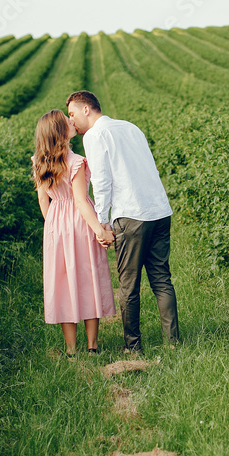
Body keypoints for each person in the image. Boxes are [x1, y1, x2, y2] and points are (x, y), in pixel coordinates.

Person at [66, 90, 180, 354]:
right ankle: (173, 343)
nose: (71, 122)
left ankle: (133, 346)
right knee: (162, 279)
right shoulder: (130, 127)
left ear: (87, 109)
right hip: (159, 209)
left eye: (72, 114)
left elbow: (102, 181)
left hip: (131, 214)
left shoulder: (95, 135)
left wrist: (102, 221)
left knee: (128, 285)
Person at [31, 109, 116, 356]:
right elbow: (80, 201)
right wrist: (99, 230)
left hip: (56, 224)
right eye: (67, 122)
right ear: (61, 133)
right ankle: (92, 345)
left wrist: (55, 227)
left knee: (63, 282)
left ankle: (70, 349)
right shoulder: (76, 161)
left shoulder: (39, 161)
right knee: (88, 277)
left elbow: (43, 201)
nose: (72, 122)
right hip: (80, 222)